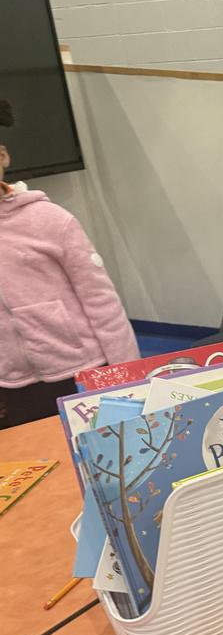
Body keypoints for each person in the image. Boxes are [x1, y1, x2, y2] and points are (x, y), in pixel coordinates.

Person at [0, 100, 139, 428]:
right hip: (11, 383)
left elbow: (101, 302)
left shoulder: (50, 220)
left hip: (79, 371)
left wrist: (129, 376)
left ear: (3, 156)